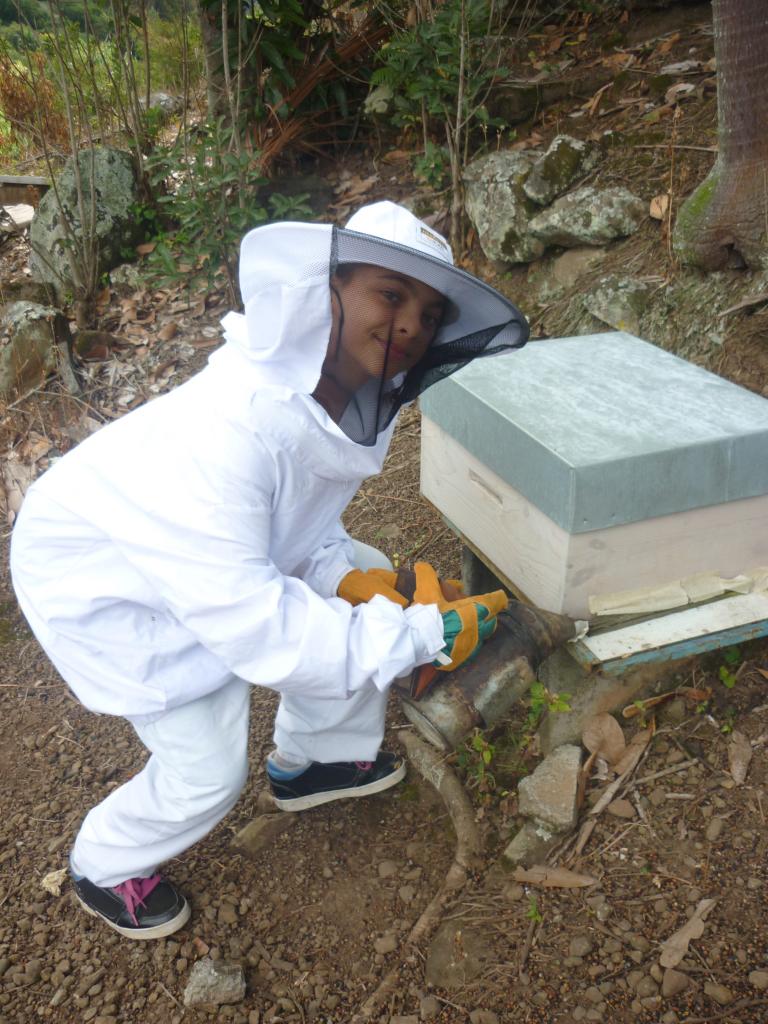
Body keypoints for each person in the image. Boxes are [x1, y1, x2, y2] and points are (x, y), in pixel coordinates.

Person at [10, 200, 528, 940]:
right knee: (207, 771)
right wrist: (422, 634)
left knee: (368, 568)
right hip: (105, 584)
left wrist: (347, 580)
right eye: (390, 294)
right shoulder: (225, 439)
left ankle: (316, 761)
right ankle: (105, 862)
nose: (412, 324)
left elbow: (293, 527)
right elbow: (256, 628)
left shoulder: (318, 396)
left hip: (188, 554)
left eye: (429, 310)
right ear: (327, 291)